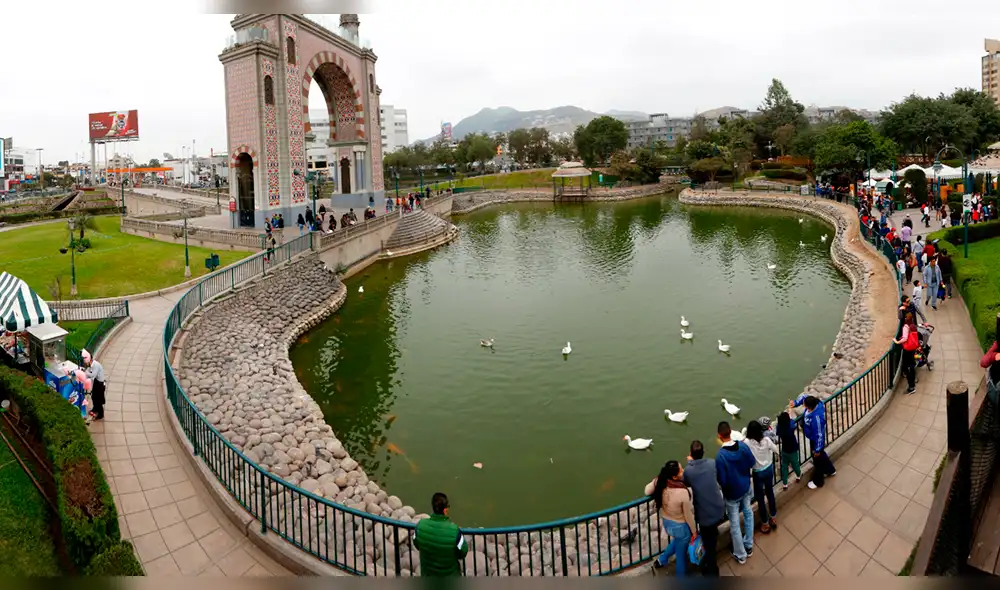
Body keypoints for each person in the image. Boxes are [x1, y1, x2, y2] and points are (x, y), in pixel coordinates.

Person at [714, 421, 756, 565]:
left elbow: (722, 480)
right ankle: (749, 545)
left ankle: (740, 554)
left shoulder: (720, 456)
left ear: (719, 436)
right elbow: (752, 462)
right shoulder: (743, 447)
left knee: (735, 523)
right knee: (748, 513)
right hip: (746, 487)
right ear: (730, 431)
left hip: (732, 494)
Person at [645, 460, 697, 576]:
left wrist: (655, 481)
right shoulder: (682, 492)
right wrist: (694, 531)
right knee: (681, 558)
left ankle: (662, 560)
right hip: (681, 527)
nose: (683, 471)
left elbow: (647, 491)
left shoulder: (660, 481)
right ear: (674, 477)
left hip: (667, 523)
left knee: (678, 542)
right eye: (681, 470)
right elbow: (688, 515)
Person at [683, 440, 725, 577]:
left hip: (705, 515)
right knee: (711, 534)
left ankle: (712, 573)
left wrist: (691, 463)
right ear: (704, 452)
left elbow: (686, 482)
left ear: (690, 453)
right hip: (719, 508)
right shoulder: (712, 463)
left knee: (709, 546)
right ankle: (714, 534)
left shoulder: (688, 471)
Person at [413, 492, 468, 576]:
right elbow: (463, 552)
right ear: (445, 510)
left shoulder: (420, 526)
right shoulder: (454, 531)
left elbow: (416, 543)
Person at [790, 395, 836, 488]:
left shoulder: (816, 419)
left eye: (804, 404)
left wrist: (817, 450)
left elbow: (819, 435)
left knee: (817, 461)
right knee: (822, 455)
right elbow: (804, 397)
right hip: (813, 438)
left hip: (815, 441)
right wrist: (795, 403)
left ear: (808, 407)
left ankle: (818, 482)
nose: (803, 404)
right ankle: (830, 470)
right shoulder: (814, 403)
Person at [744, 421, 779, 533]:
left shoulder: (748, 443)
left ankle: (765, 523)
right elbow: (776, 449)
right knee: (770, 493)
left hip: (758, 472)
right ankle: (773, 517)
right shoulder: (767, 440)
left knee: (760, 498)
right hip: (768, 469)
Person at [894, 312, 920, 395]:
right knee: (911, 366)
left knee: (907, 367)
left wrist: (897, 342)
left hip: (908, 349)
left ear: (905, 318)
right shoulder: (913, 325)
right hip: (913, 348)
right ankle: (913, 380)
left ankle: (911, 387)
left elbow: (905, 338)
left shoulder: (906, 326)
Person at [776, 410, 801, 489]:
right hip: (792, 449)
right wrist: (790, 417)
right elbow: (792, 423)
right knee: (795, 464)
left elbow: (777, 430)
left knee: (784, 466)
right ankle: (798, 476)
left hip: (784, 449)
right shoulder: (790, 427)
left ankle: (785, 483)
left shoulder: (779, 427)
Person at [82, 350, 106, 421]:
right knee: (93, 397)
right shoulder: (91, 365)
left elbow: (92, 375)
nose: (85, 364)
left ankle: (100, 415)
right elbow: (89, 371)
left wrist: (85, 372)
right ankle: (95, 408)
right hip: (96, 382)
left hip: (100, 384)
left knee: (98, 400)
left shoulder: (96, 365)